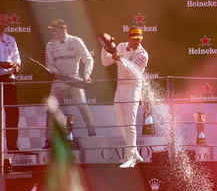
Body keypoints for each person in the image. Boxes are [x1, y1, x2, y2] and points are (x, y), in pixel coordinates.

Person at [101, 26, 149, 168]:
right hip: (120, 88)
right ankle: (134, 152)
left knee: (129, 123)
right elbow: (105, 62)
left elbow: (130, 73)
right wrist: (106, 47)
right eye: (134, 39)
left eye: (139, 39)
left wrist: (119, 59)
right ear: (128, 37)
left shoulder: (143, 55)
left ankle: (130, 159)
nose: (136, 42)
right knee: (118, 123)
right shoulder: (121, 46)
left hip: (133, 88)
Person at [45, 19, 96, 138]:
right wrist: (54, 72)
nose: (52, 32)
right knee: (51, 109)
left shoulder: (75, 41)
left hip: (74, 79)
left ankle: (91, 130)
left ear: (63, 28)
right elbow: (50, 64)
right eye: (51, 30)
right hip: (58, 81)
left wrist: (87, 75)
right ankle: (49, 138)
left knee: (82, 105)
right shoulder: (50, 45)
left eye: (55, 30)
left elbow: (89, 59)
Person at [0, 11, 21, 152]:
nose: (4, 25)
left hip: (8, 80)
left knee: (13, 112)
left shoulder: (10, 39)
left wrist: (17, 65)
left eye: (6, 22)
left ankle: (12, 145)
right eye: (2, 22)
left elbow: (17, 57)